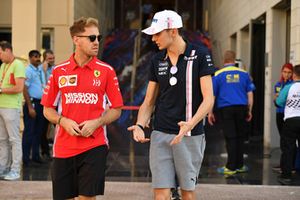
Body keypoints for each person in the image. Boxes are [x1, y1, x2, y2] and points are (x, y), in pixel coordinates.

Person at [128, 10, 215, 200]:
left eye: (158, 33)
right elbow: (149, 101)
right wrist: (141, 125)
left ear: (173, 31)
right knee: (161, 193)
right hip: (160, 133)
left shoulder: (199, 55)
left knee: (187, 193)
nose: (153, 39)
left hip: (190, 135)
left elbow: (209, 99)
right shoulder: (157, 60)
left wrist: (190, 124)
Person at [41, 17, 123, 199]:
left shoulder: (106, 71)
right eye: (91, 38)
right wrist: (63, 121)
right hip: (63, 147)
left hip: (95, 145)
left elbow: (117, 109)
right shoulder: (59, 71)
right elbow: (47, 109)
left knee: (87, 197)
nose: (96, 43)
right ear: (76, 39)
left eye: (98, 38)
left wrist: (98, 122)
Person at [208, 50, 255, 175]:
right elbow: (250, 94)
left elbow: (212, 96)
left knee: (230, 137)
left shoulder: (218, 75)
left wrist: (210, 112)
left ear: (224, 60)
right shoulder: (244, 74)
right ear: (234, 60)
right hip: (241, 108)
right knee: (240, 136)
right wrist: (249, 110)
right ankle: (239, 165)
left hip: (226, 109)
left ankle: (230, 167)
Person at [0, 41, 26, 180]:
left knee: (14, 139)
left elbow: (19, 88)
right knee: (2, 139)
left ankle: (15, 170)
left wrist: (1, 89)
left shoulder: (18, 65)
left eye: (0, 52)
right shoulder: (3, 66)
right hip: (2, 106)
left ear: (8, 50)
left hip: (11, 107)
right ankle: (3, 168)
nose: (0, 56)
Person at [276, 64, 300, 185]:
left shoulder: (288, 87)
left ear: (294, 75)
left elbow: (279, 102)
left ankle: (286, 176)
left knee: (288, 147)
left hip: (290, 120)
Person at [22, 50, 47, 165]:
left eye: (39, 56)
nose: (38, 59)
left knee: (38, 131)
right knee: (29, 132)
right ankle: (26, 159)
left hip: (41, 104)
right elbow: (24, 88)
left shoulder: (40, 70)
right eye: (35, 57)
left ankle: (36, 156)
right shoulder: (28, 70)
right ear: (30, 58)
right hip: (32, 103)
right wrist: (29, 107)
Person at [272, 63, 293, 172]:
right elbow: (277, 100)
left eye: (289, 72)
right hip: (279, 113)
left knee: (288, 140)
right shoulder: (278, 84)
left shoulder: (293, 85)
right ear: (281, 72)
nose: (287, 74)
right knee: (282, 139)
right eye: (285, 72)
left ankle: (288, 166)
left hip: (289, 114)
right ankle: (283, 164)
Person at [39, 49, 55, 159]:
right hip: (44, 103)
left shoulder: (55, 69)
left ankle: (58, 152)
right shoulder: (40, 70)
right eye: (49, 59)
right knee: (42, 130)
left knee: (59, 129)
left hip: (55, 103)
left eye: (53, 58)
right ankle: (45, 152)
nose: (52, 60)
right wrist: (44, 72)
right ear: (44, 59)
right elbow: (43, 85)